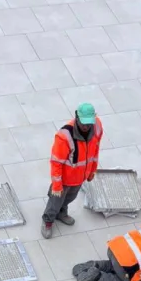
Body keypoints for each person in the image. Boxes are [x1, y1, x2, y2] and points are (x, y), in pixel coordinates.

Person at [42, 102, 103, 239]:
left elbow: (95, 150)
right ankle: (48, 221)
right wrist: (57, 185)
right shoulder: (64, 136)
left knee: (70, 198)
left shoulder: (97, 127)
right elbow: (56, 162)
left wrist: (92, 170)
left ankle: (61, 213)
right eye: (84, 123)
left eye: (89, 123)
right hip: (64, 179)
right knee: (55, 201)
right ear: (77, 117)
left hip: (80, 177)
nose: (87, 126)